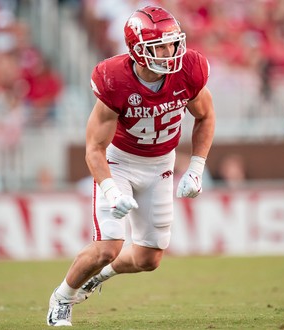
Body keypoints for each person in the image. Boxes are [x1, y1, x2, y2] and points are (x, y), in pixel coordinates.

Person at [47, 5, 215, 326]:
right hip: (120, 162)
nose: (171, 52)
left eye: (173, 43)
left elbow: (205, 115)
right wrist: (110, 190)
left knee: (148, 259)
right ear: (137, 51)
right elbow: (94, 148)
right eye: (160, 46)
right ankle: (62, 298)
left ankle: (99, 278)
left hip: (161, 165)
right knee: (107, 247)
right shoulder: (114, 78)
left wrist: (196, 166)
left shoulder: (189, 69)